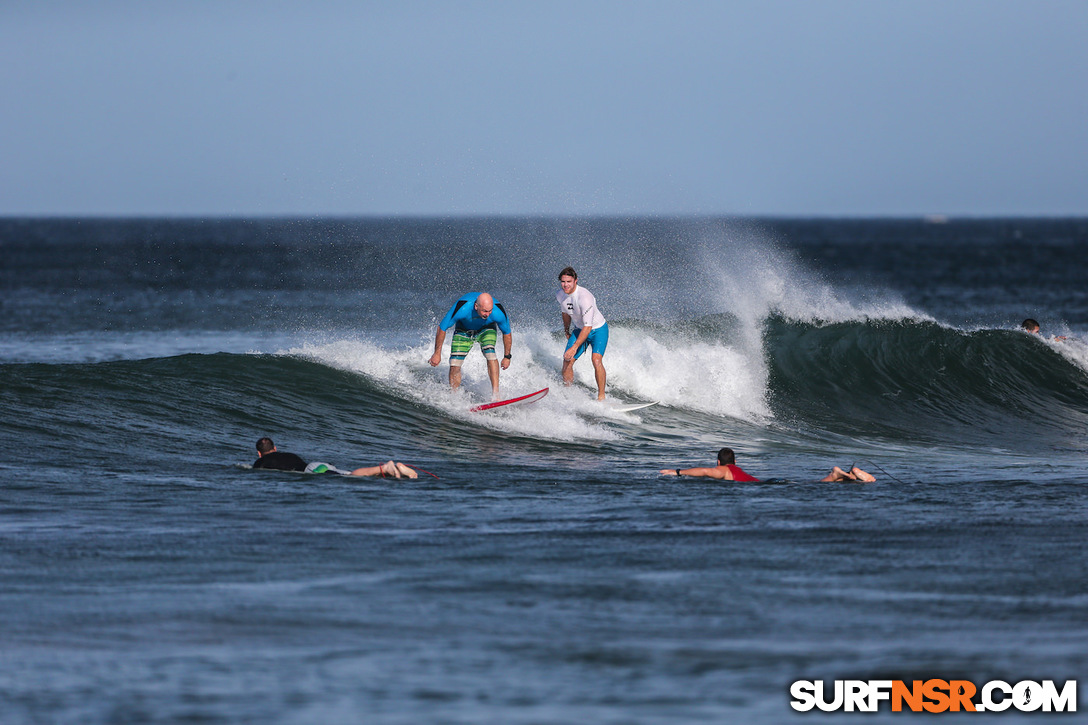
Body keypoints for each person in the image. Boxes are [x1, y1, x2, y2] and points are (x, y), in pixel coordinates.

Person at [429, 292, 512, 398]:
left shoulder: (498, 311)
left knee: (490, 353)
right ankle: (454, 396)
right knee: (455, 363)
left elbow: (507, 333)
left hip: (487, 328)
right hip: (463, 329)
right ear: (476, 306)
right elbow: (442, 328)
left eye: (489, 311)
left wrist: (507, 357)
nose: (487, 314)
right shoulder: (462, 308)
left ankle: (496, 395)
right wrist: (437, 353)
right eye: (484, 311)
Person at [557, 267, 609, 400]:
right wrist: (566, 330)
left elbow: (588, 326)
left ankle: (601, 397)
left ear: (575, 280)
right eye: (563, 282)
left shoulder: (584, 297)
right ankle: (568, 395)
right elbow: (565, 313)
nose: (565, 285)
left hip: (597, 330)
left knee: (596, 360)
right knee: (567, 360)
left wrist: (574, 347)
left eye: (569, 281)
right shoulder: (560, 295)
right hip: (580, 329)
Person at [251, 437, 418, 478]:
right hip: (317, 465)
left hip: (313, 471)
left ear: (259, 453)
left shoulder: (259, 463)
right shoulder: (287, 454)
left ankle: (385, 468)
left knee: (352, 477)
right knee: (349, 474)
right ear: (275, 448)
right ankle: (396, 470)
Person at [659, 447, 761, 481]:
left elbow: (705, 471)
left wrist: (678, 472)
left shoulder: (724, 470)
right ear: (735, 462)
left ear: (718, 462)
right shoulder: (738, 470)